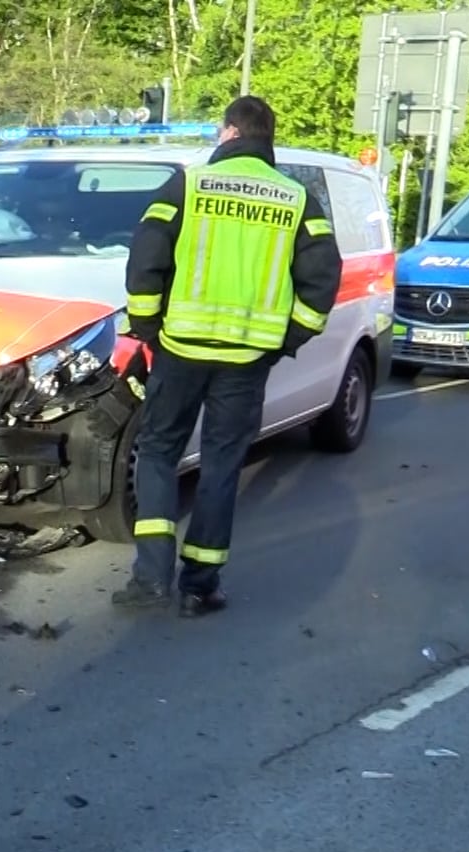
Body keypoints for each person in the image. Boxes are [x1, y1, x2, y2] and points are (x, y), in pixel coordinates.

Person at [111, 95, 340, 615]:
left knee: (158, 453)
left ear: (231, 132)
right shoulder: (296, 199)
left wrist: (147, 328)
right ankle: (199, 587)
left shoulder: (189, 185)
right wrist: (286, 340)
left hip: (180, 348)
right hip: (247, 358)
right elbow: (322, 279)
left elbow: (146, 256)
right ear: (267, 138)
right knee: (221, 465)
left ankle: (151, 578)